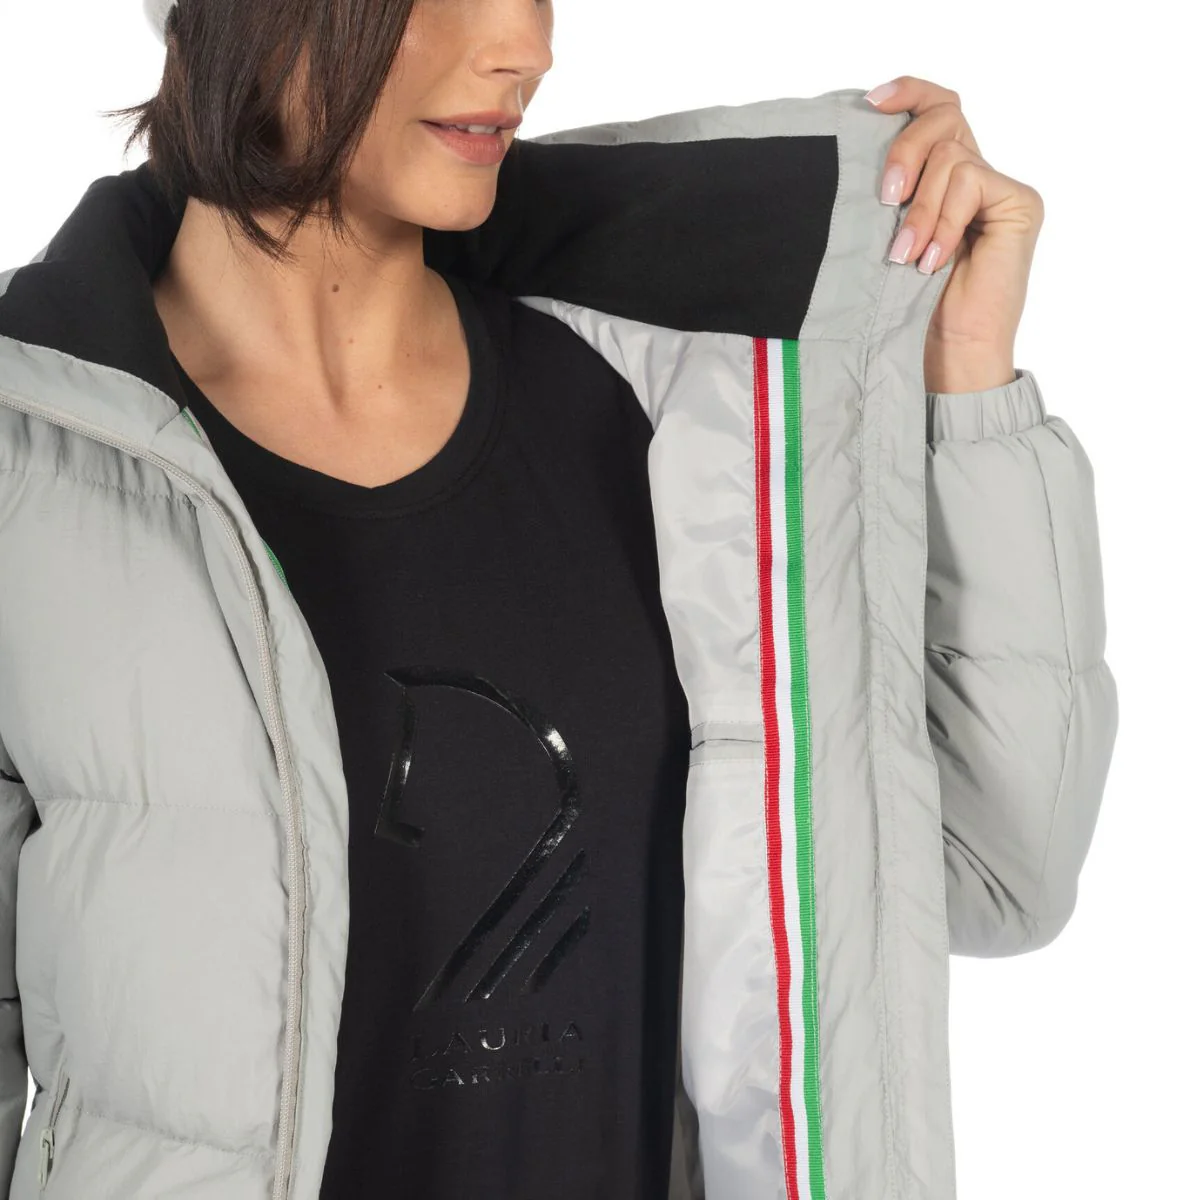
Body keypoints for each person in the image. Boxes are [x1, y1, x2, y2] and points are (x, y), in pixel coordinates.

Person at [0, 1, 1118, 1198]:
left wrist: (962, 380)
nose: (526, 49)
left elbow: (992, 875)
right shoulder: (36, 459)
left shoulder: (694, 423)